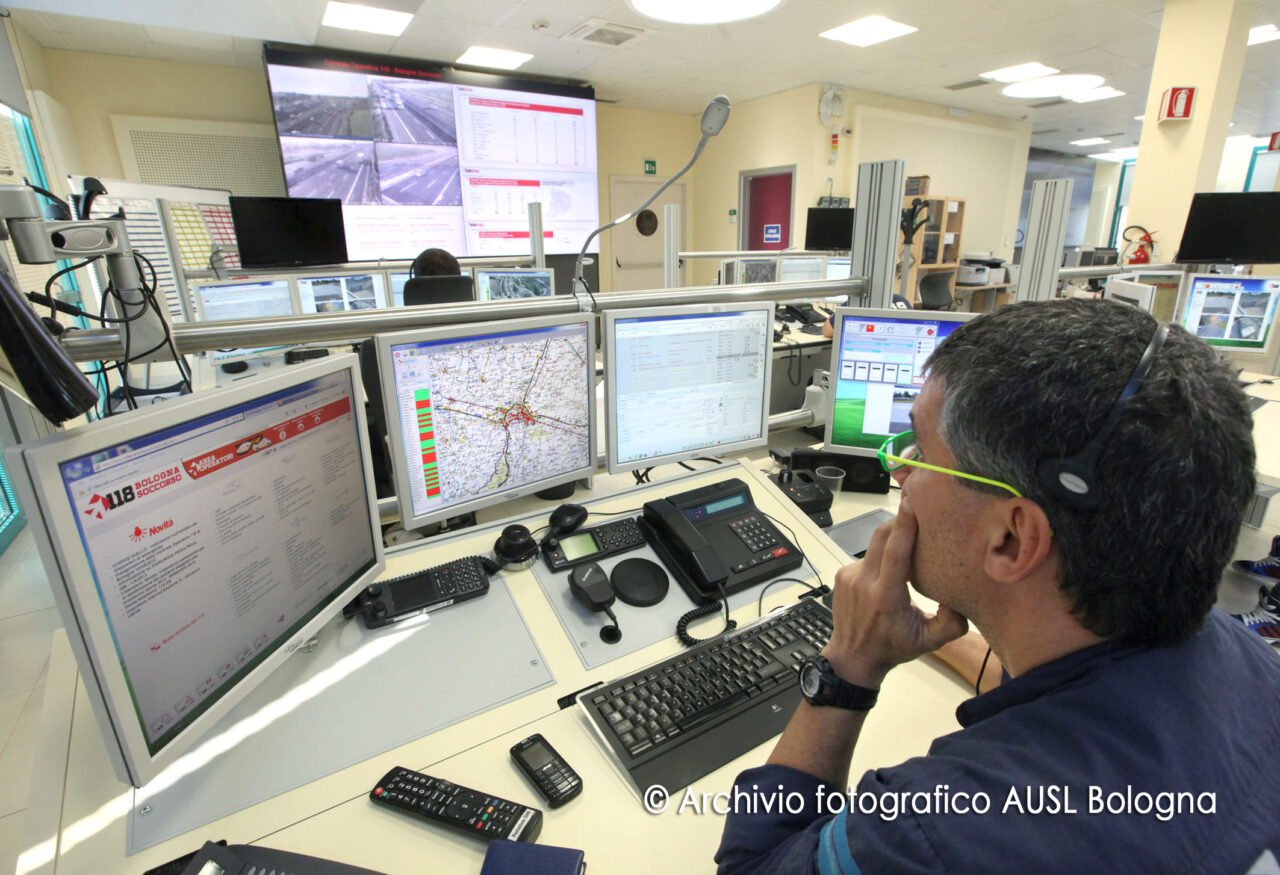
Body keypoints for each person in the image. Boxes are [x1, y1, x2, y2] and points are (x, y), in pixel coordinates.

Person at [716, 299, 1280, 873]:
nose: (899, 473)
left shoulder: (935, 834)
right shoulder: (1247, 659)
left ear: (1011, 540)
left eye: (921, 452)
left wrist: (850, 663)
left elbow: (755, 867)